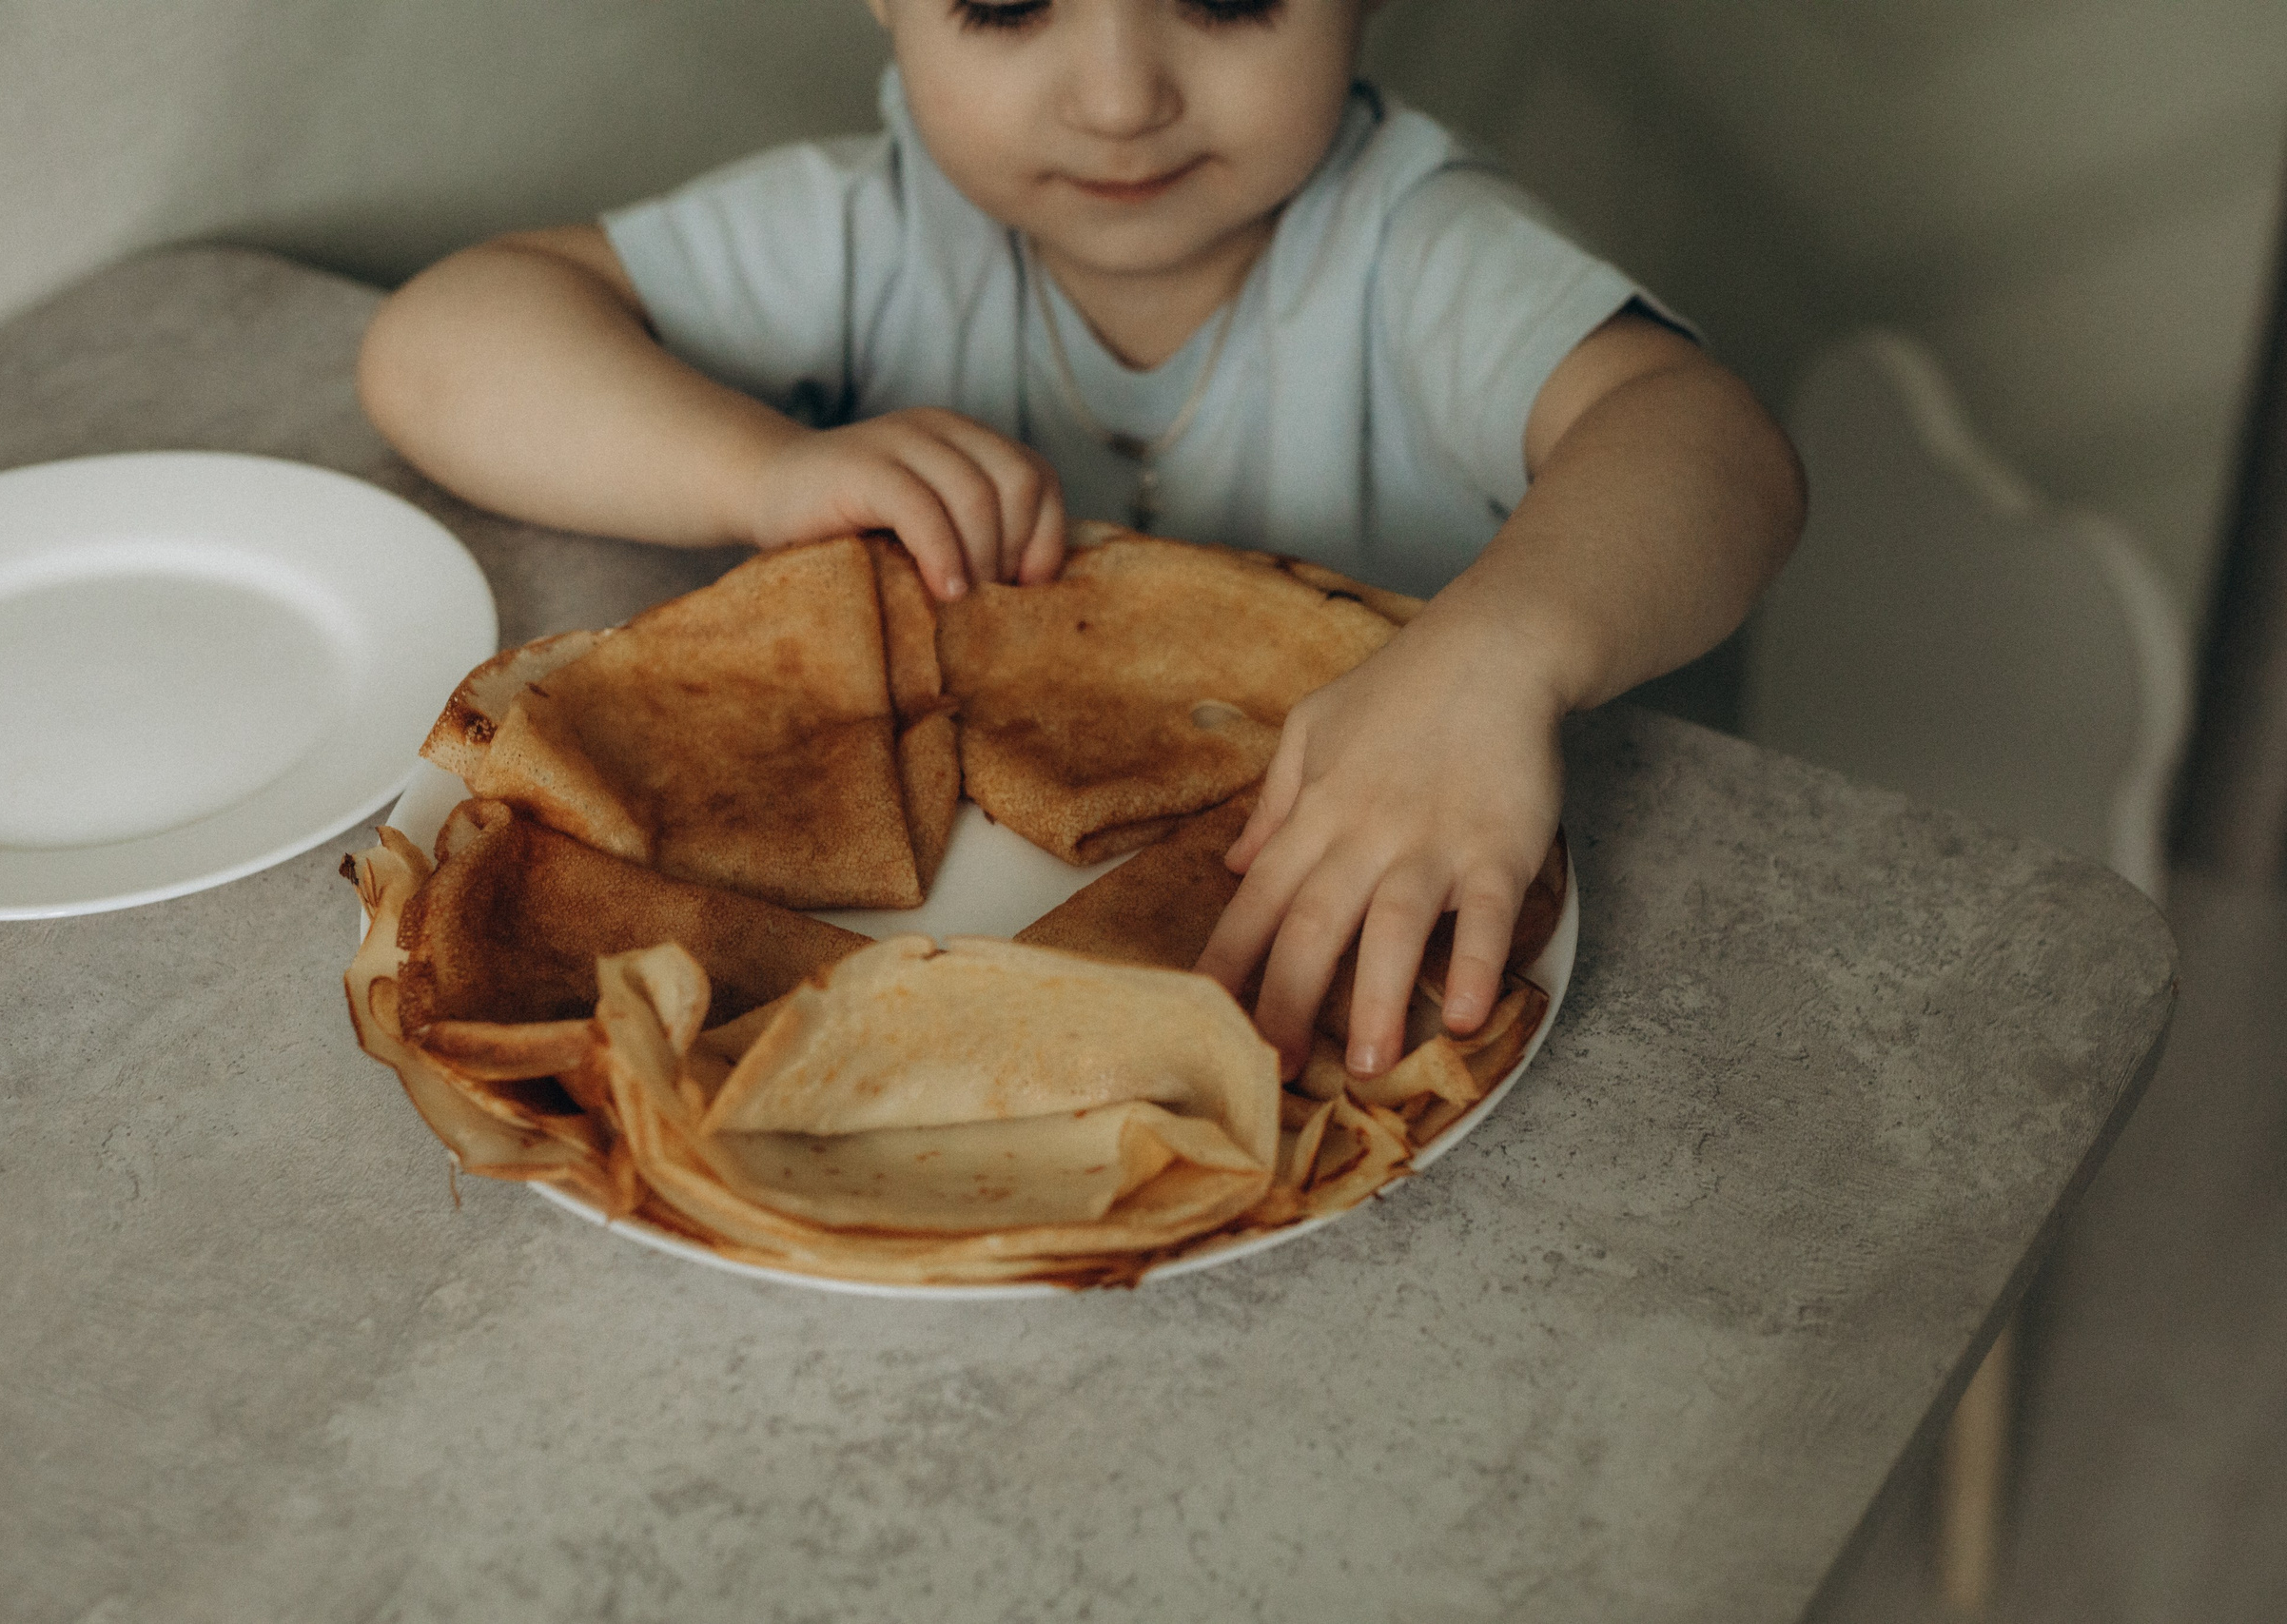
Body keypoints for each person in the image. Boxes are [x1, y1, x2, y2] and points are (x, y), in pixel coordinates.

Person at [356, 0, 1805, 1087]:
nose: (1120, 98)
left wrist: (1498, 657)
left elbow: (1712, 443)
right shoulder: (876, 232)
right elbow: (437, 346)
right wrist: (758, 468)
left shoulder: (1413, 251)